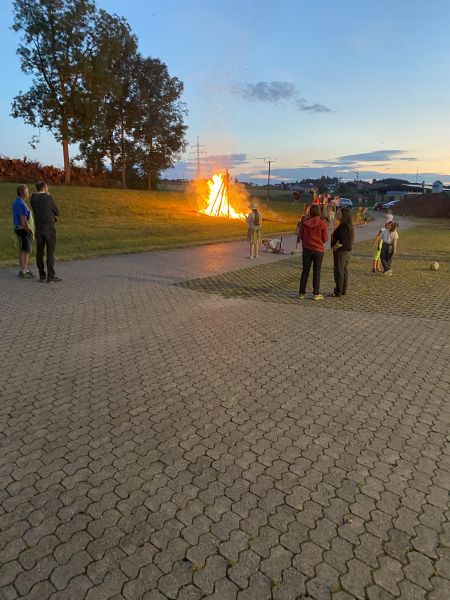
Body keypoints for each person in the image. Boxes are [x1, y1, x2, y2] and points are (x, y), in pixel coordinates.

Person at [30, 181, 62, 283]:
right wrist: (48, 196)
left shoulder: (33, 199)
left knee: (39, 252)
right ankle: (51, 276)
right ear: (44, 188)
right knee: (50, 252)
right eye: (47, 187)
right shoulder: (48, 198)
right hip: (49, 227)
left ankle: (42, 275)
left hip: (38, 227)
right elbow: (57, 211)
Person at [298, 205, 328, 300]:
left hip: (307, 249)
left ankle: (301, 293)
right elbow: (325, 238)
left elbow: (301, 236)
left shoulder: (305, 223)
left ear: (310, 212)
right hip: (318, 250)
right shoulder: (322, 223)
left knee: (305, 271)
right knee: (317, 271)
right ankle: (316, 293)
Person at [328, 208, 354, 297]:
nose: (337, 214)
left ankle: (338, 290)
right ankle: (343, 289)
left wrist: (335, 247)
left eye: (339, 213)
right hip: (345, 251)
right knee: (343, 270)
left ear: (344, 215)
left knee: (339, 271)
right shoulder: (347, 225)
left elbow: (342, 239)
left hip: (341, 251)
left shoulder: (343, 226)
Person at [12, 184, 35, 278]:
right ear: (23, 192)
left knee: (25, 250)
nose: (28, 193)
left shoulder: (18, 202)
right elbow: (23, 220)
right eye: (27, 191)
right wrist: (28, 229)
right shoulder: (21, 204)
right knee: (24, 250)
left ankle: (25, 269)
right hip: (22, 229)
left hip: (20, 228)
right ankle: (23, 271)